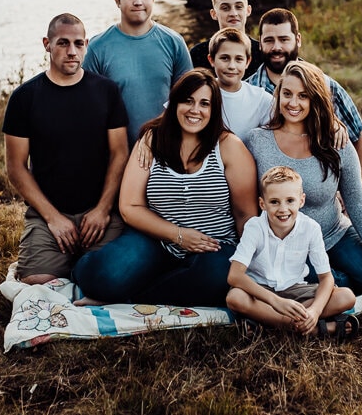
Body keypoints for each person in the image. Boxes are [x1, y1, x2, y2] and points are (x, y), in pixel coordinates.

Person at [73, 69, 259, 307]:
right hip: (156, 240)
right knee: (104, 277)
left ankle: (135, 297)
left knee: (218, 277)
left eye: (204, 104)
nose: (195, 110)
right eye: (188, 101)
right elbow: (130, 206)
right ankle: (90, 271)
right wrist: (178, 236)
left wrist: (250, 263)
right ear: (174, 103)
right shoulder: (152, 140)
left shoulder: (228, 147)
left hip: (214, 245)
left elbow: (246, 215)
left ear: (213, 110)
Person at [244, 61, 362, 296]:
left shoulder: (335, 142)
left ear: (315, 100)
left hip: (334, 234)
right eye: (287, 94)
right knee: (317, 289)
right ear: (278, 95)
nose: (293, 103)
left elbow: (356, 203)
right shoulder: (257, 141)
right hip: (287, 246)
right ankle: (338, 280)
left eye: (303, 96)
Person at [2, 13, 129, 285]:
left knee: (110, 279)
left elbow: (120, 153)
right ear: (47, 44)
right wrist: (53, 218)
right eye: (63, 43)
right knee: (37, 282)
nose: (72, 52)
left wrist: (103, 210)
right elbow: (15, 167)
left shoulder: (106, 91)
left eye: (79, 43)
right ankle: (63, 262)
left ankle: (79, 267)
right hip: (49, 214)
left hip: (100, 213)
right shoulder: (24, 97)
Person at [227, 166, 358, 339]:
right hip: (261, 293)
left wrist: (314, 311)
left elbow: (326, 278)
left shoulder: (311, 228)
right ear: (262, 204)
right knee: (235, 297)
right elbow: (235, 276)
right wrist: (276, 301)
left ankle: (271, 326)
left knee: (346, 297)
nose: (283, 209)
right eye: (274, 202)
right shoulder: (254, 227)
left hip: (296, 291)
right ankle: (314, 330)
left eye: (290, 200)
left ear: (301, 201)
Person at [245, 8, 362, 173]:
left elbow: (357, 137)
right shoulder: (248, 91)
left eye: (283, 39)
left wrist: (351, 188)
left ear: (298, 39)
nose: (276, 47)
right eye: (269, 40)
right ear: (260, 43)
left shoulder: (326, 86)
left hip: (320, 187)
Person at [83, 0, 192, 147]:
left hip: (167, 149)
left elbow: (187, 97)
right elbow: (90, 107)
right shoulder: (97, 47)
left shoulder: (174, 42)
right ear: (117, 0)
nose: (138, 1)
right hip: (118, 153)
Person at [189, 0, 264, 78]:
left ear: (248, 10)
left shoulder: (261, 52)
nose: (233, 13)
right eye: (225, 8)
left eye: (239, 7)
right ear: (214, 14)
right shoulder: (198, 53)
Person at [207, 27, 272, 138]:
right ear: (212, 60)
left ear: (247, 62)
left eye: (239, 59)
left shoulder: (261, 99)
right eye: (225, 58)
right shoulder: (199, 92)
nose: (232, 66)